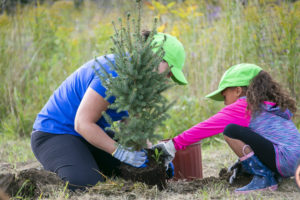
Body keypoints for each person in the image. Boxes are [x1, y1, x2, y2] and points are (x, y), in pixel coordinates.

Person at [31, 32, 187, 190]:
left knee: (143, 171)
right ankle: (62, 164)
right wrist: (120, 152)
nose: (167, 78)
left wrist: (154, 156)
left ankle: (80, 161)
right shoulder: (115, 72)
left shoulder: (141, 82)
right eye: (169, 72)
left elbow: (132, 127)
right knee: (84, 183)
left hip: (89, 137)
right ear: (154, 57)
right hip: (54, 134)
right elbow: (82, 124)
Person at [154, 63, 300, 193]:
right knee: (242, 132)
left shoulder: (244, 107)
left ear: (237, 91)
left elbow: (206, 127)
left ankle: (264, 178)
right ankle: (267, 173)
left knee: (231, 131)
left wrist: (173, 145)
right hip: (293, 161)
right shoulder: (266, 107)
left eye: (224, 96)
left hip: (284, 159)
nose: (224, 103)